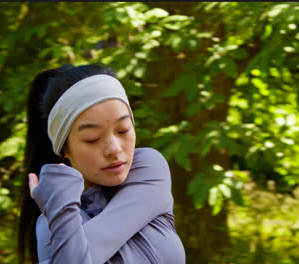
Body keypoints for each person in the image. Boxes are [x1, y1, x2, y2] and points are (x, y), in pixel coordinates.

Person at [17, 63, 185, 264]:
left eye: (123, 130)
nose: (114, 149)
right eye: (92, 138)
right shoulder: (51, 222)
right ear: (64, 148)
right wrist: (60, 205)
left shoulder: (147, 168)